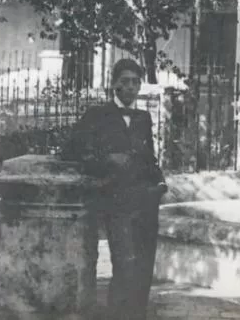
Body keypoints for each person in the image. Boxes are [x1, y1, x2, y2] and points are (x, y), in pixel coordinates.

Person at [61, 58, 166, 320]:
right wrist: (108, 159)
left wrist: (160, 183)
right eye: (125, 81)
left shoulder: (143, 118)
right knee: (125, 263)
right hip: (115, 199)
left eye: (135, 82)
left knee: (144, 265)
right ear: (114, 84)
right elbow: (71, 152)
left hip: (146, 199)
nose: (130, 87)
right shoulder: (97, 115)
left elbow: (149, 158)